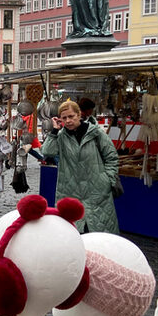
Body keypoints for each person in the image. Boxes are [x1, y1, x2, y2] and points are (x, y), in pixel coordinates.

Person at [42, 99, 120, 233]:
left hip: (97, 191)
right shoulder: (60, 136)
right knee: (73, 234)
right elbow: (47, 152)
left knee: (99, 234)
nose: (68, 121)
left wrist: (108, 180)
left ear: (79, 115)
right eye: (64, 118)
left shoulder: (96, 133)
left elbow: (111, 157)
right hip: (70, 191)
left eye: (71, 116)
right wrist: (54, 131)